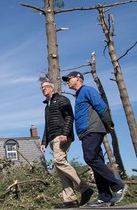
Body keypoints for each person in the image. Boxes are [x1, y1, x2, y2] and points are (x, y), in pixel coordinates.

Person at [62, 71, 128, 207]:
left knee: (90, 157)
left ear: (78, 78)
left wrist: (109, 124)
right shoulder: (79, 95)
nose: (67, 81)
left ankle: (118, 185)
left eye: (69, 78)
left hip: (92, 130)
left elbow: (102, 107)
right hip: (86, 133)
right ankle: (104, 196)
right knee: (96, 160)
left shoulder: (87, 90)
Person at [40, 80, 94, 209]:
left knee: (59, 161)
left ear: (52, 88)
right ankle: (70, 200)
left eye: (45, 87)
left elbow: (69, 117)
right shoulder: (47, 106)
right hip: (52, 138)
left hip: (62, 136)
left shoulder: (61, 99)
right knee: (60, 168)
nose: (43, 89)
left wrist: (65, 133)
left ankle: (85, 188)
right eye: (41, 88)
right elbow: (47, 126)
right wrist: (44, 142)